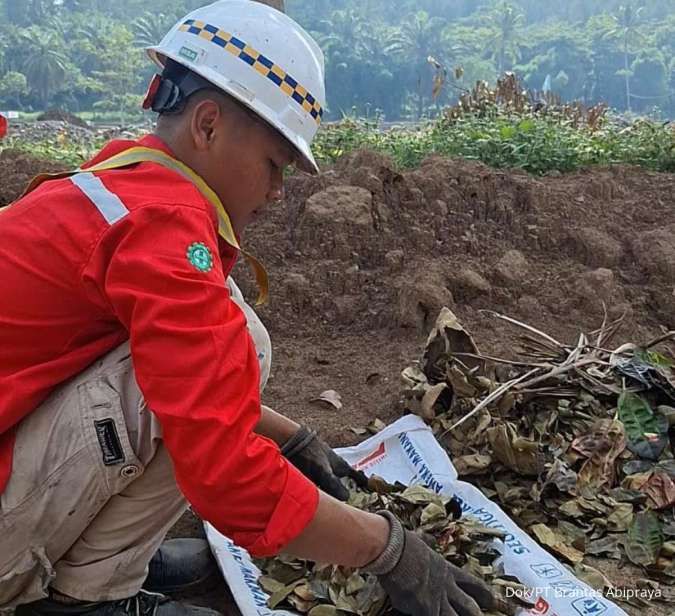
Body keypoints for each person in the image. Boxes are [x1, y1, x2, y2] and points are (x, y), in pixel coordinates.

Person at [0, 3, 494, 616]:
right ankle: (85, 598)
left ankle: (98, 552)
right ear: (208, 125)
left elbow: (179, 370)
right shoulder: (165, 229)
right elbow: (222, 467)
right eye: (274, 165)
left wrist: (292, 438)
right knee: (222, 358)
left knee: (231, 333)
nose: (277, 191)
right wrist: (389, 549)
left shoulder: (124, 188)